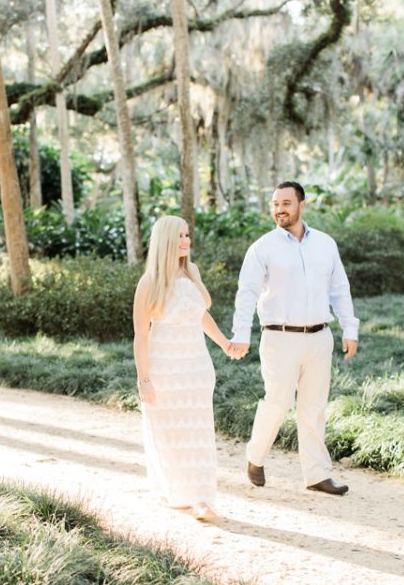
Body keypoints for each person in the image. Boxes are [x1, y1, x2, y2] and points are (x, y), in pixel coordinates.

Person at [229, 181, 359, 496]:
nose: (279, 209)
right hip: (278, 337)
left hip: (319, 336)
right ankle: (255, 456)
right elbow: (246, 293)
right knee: (278, 401)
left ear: (302, 205)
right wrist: (241, 333)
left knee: (313, 407)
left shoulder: (326, 244)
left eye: (286, 203)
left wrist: (349, 328)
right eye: (275, 204)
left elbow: (340, 288)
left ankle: (316, 475)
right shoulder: (262, 247)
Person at [133, 215, 237, 521]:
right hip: (164, 369)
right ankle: (179, 491)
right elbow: (141, 335)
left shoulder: (193, 271)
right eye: (179, 236)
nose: (185, 241)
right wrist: (144, 379)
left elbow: (200, 315)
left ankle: (201, 498)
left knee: (199, 433)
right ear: (164, 240)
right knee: (169, 435)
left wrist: (224, 343)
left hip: (196, 367)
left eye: (187, 235)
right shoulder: (149, 282)